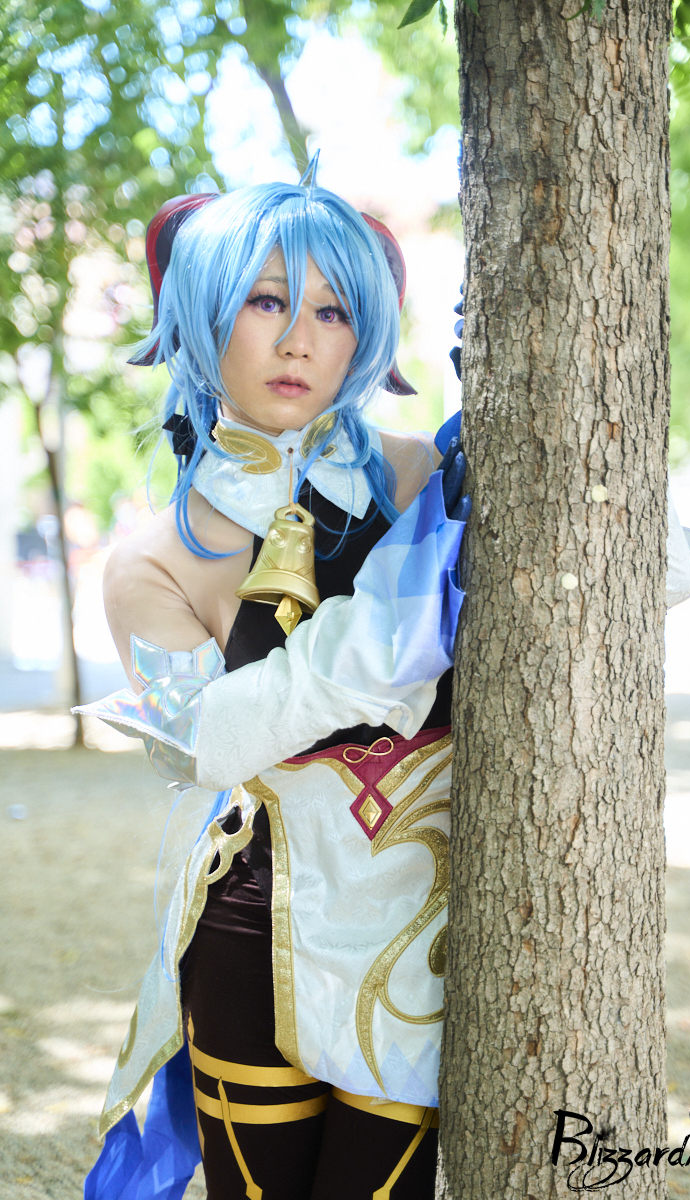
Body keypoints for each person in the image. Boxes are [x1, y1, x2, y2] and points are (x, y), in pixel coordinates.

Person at [79, 168, 470, 1200]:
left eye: (333, 311)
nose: (299, 340)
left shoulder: (432, 479)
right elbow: (204, 746)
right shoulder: (150, 561)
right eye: (266, 301)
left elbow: (639, 567)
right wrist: (393, 625)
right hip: (249, 933)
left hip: (425, 933)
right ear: (201, 315)